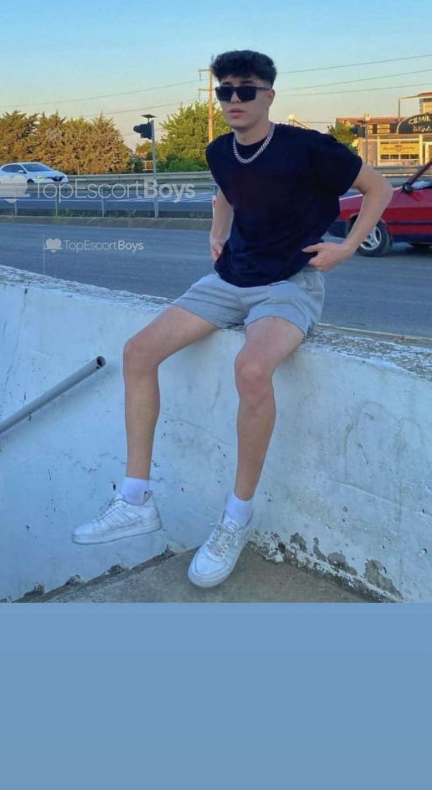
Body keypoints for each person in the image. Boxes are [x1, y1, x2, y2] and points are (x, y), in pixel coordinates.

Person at [72, 49, 394, 589]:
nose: (234, 99)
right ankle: (135, 498)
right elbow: (226, 192)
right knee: (138, 352)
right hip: (228, 280)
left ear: (269, 95)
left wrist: (347, 247)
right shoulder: (219, 150)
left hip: (288, 283)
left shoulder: (308, 147)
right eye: (225, 90)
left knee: (251, 368)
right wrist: (216, 232)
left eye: (246, 89)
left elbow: (379, 187)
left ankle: (235, 519)